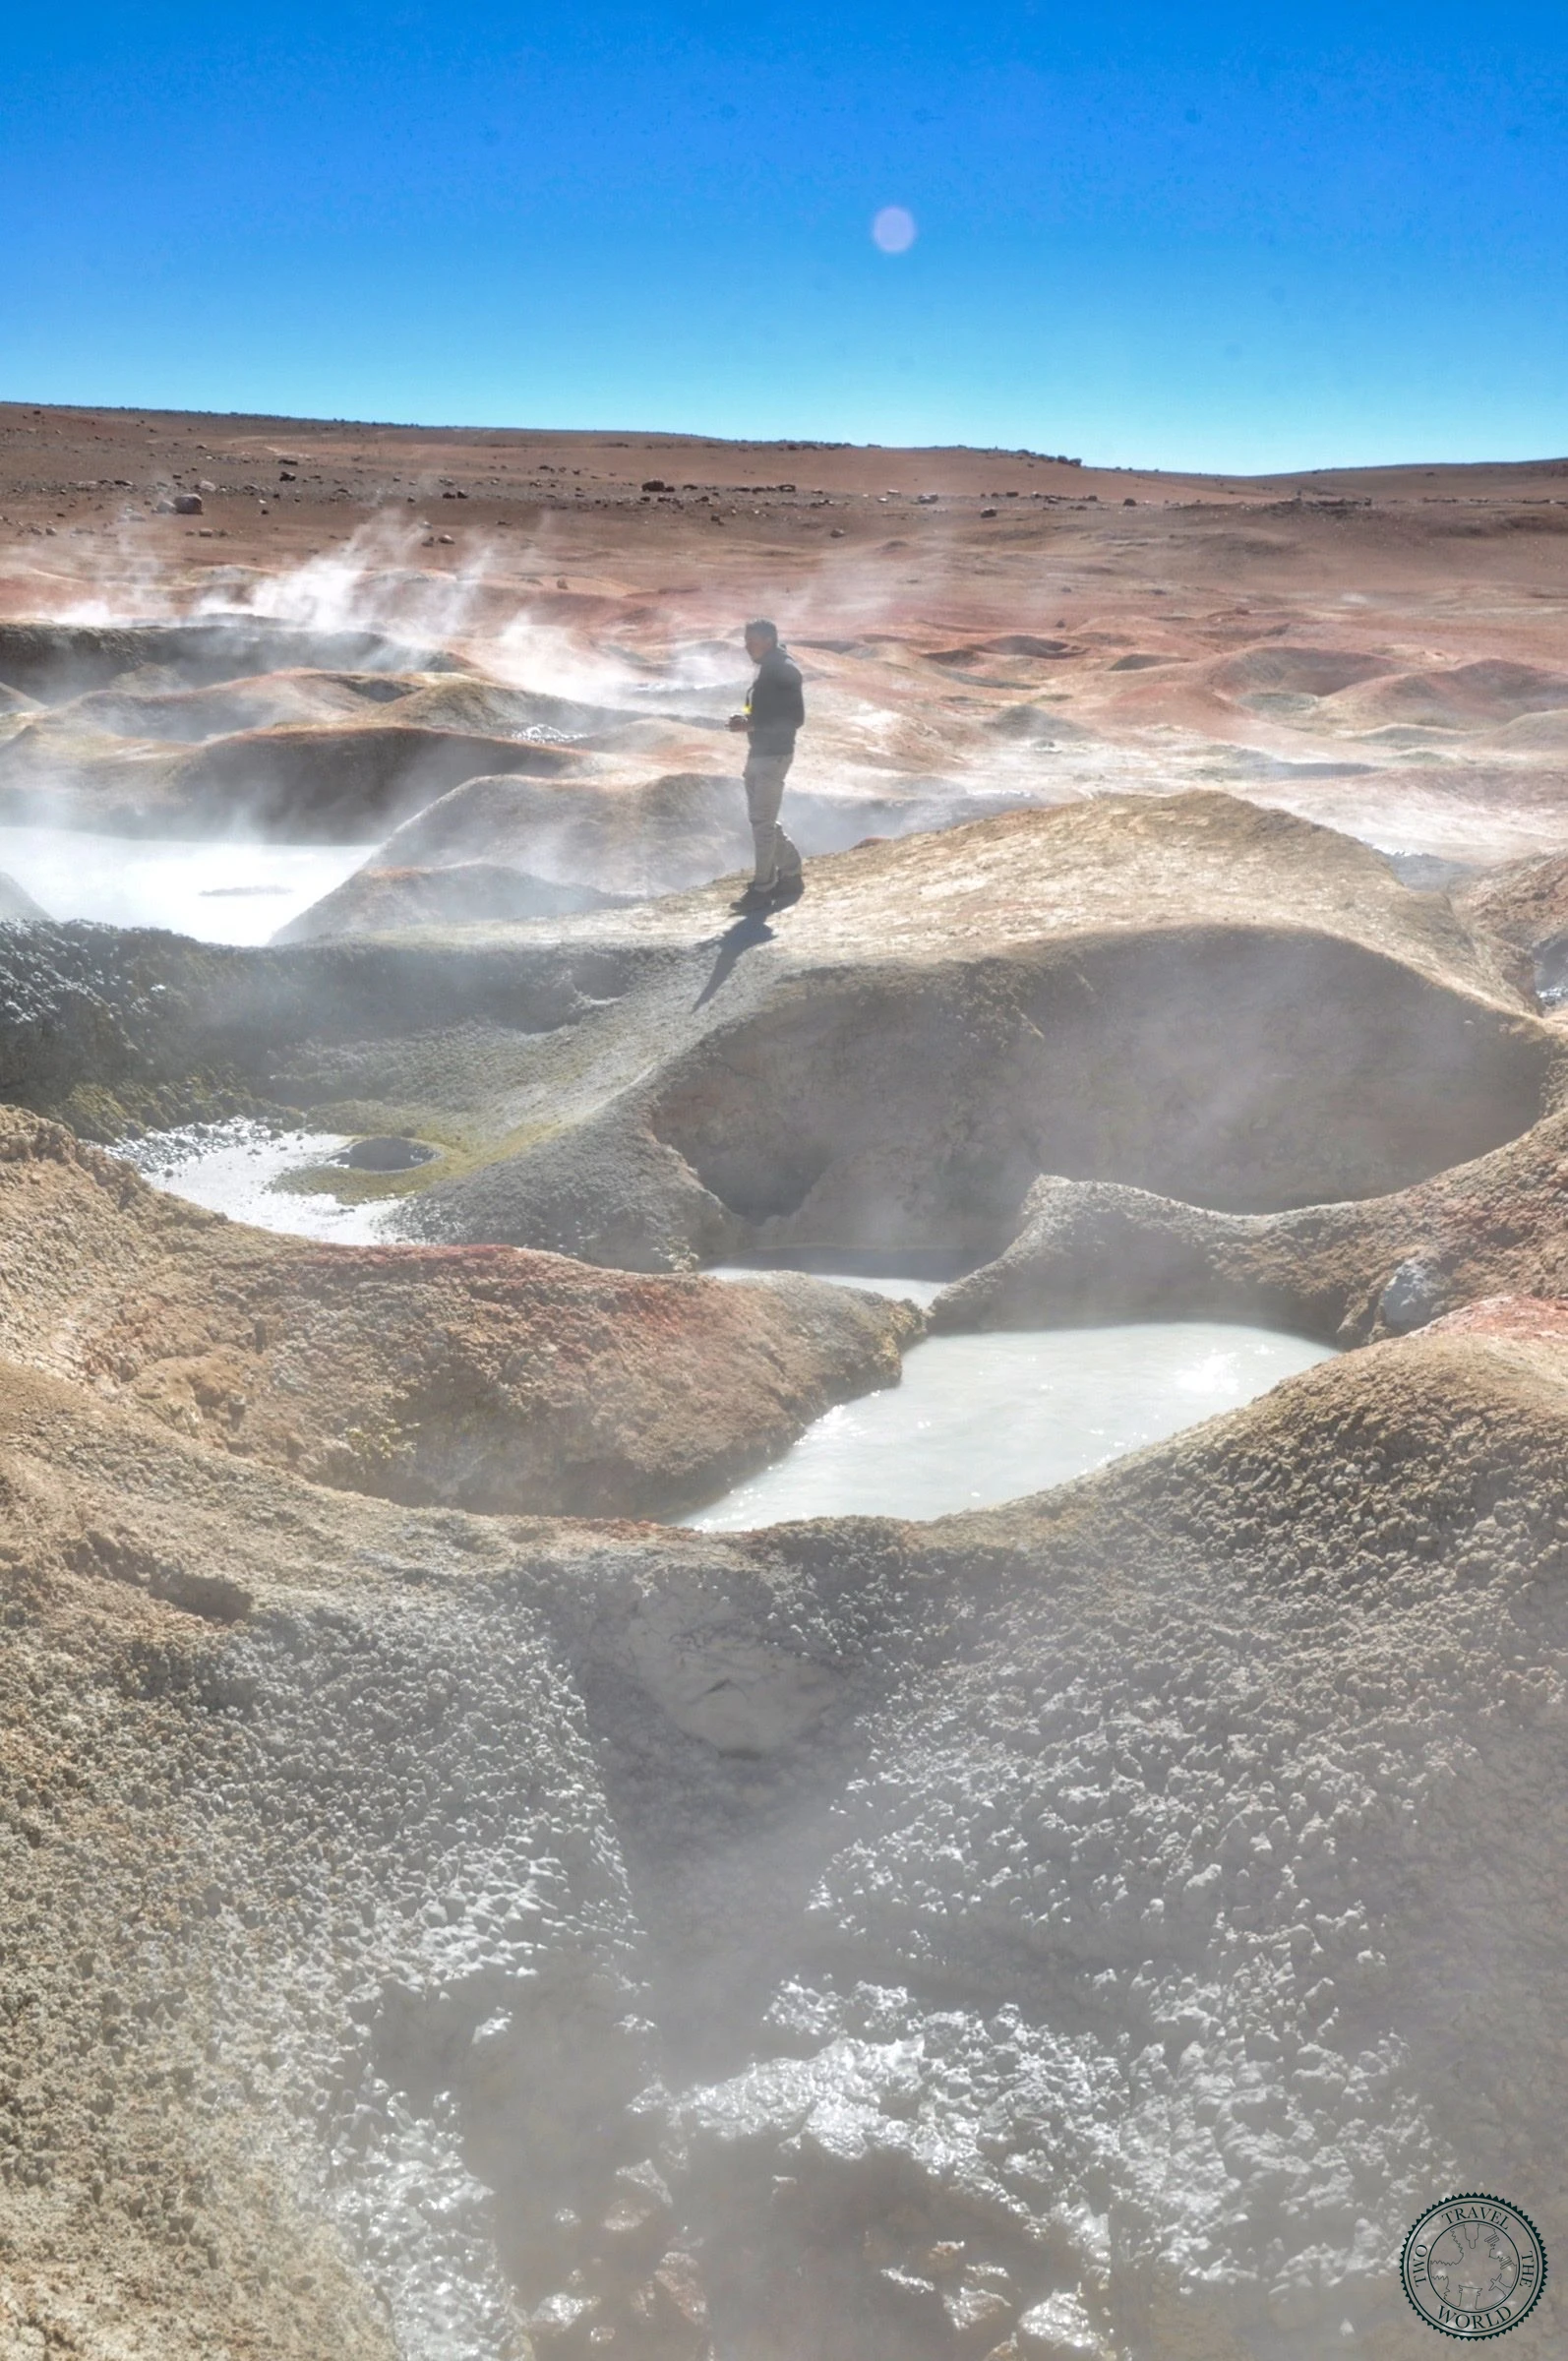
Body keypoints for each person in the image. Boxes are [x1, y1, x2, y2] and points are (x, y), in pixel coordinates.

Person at [728, 619, 805, 909]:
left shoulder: (784, 671)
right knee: (762, 822)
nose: (747, 646)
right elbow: (760, 708)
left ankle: (763, 889)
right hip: (759, 753)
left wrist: (753, 723)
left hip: (774, 755)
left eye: (752, 641)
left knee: (761, 823)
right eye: (746, 640)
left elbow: (796, 718)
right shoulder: (767, 670)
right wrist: (746, 719)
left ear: (768, 641)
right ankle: (791, 872)